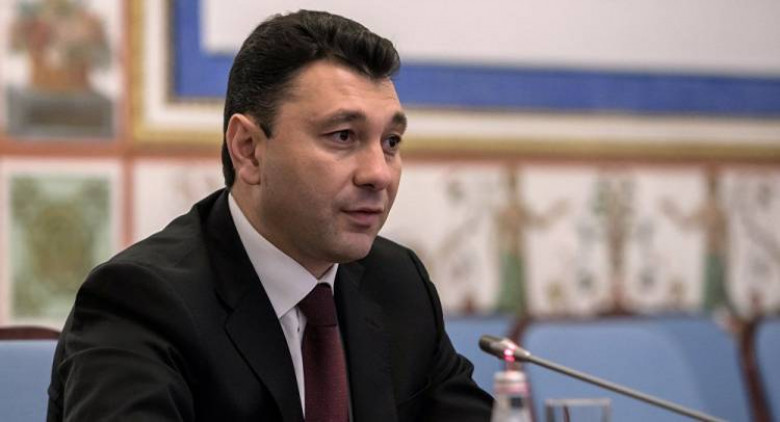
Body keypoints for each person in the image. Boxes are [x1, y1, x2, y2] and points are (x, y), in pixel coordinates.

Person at [47, 10, 493, 421]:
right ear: (249, 150)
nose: (378, 173)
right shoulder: (141, 301)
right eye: (343, 136)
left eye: (391, 142)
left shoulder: (397, 283)